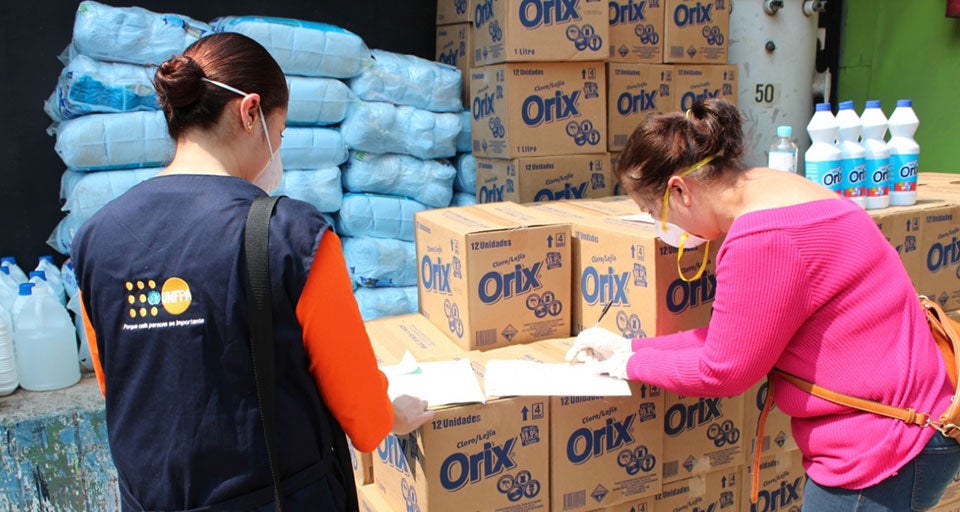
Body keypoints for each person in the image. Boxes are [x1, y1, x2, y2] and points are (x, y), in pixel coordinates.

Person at [72, 32, 433, 512]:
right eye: (278, 135)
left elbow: (118, 381)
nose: (275, 151)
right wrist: (392, 413)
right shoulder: (290, 236)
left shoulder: (96, 238)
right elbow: (366, 423)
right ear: (250, 113)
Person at [566, 98, 960, 511]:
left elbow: (723, 370)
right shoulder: (778, 189)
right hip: (913, 420)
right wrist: (632, 348)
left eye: (651, 211)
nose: (659, 226)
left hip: (882, 444)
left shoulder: (762, 238)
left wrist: (628, 366)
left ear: (679, 191)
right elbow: (735, 335)